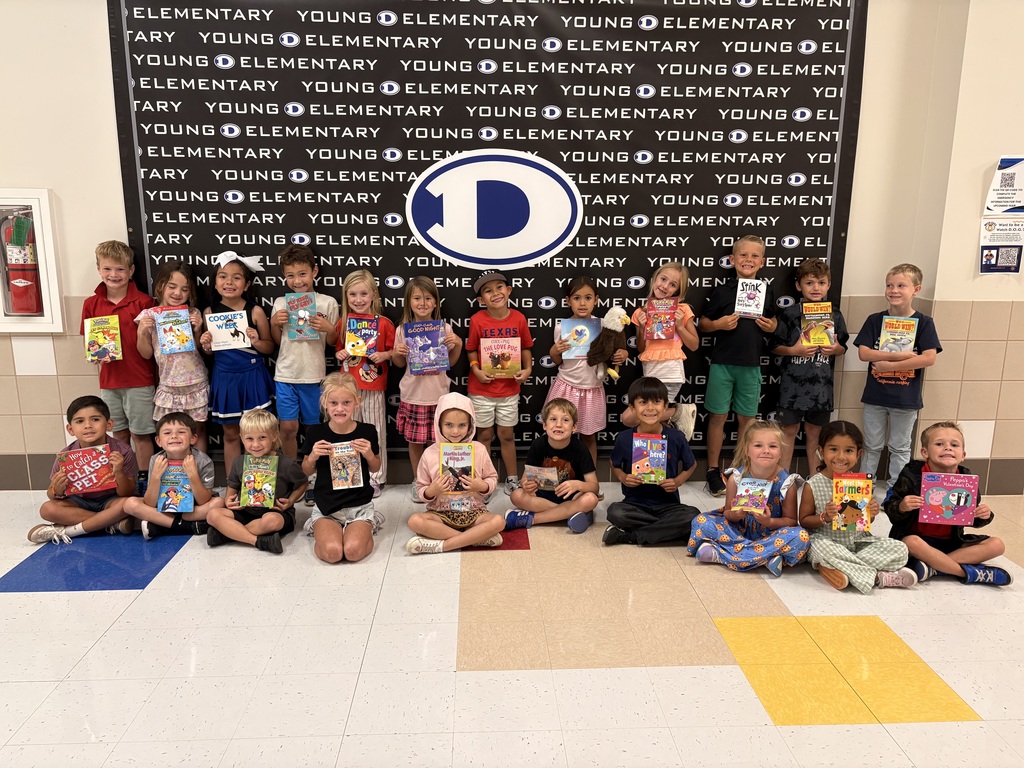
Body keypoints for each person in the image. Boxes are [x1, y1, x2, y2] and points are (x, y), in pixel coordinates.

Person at [884, 421, 1011, 586]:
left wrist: (982, 515)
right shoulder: (912, 477)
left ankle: (933, 568)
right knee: (911, 542)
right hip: (918, 542)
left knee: (997, 545)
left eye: (954, 445)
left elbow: (970, 518)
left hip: (952, 542)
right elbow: (891, 509)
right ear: (925, 452)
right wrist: (902, 506)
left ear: (963, 454)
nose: (948, 448)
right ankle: (968, 573)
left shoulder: (966, 480)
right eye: (939, 444)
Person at [698, 235, 778, 496]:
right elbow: (704, 323)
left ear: (762, 262)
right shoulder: (723, 291)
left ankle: (742, 469)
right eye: (743, 255)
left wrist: (773, 326)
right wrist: (718, 324)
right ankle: (713, 470)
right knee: (718, 416)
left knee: (748, 420)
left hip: (751, 365)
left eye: (755, 256)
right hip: (722, 363)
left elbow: (774, 322)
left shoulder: (766, 290)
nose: (749, 260)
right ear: (732, 260)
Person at [798, 420, 917, 591]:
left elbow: (864, 519)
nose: (841, 456)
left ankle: (840, 567)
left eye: (848, 451)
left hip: (857, 541)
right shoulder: (813, 485)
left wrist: (872, 513)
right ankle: (877, 576)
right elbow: (803, 521)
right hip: (827, 540)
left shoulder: (861, 483)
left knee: (900, 549)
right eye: (833, 449)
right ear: (821, 452)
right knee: (822, 549)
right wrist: (825, 517)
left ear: (859, 454)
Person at [853, 263, 941, 492]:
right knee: (871, 445)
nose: (893, 290)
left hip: (905, 398)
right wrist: (897, 356)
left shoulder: (924, 322)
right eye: (889, 285)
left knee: (900, 447)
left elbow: (929, 358)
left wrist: (889, 365)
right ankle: (865, 489)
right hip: (875, 396)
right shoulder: (875, 320)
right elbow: (864, 353)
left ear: (916, 289)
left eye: (901, 285)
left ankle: (896, 490)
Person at [688, 420, 809, 576]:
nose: (766, 451)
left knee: (801, 537)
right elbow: (728, 513)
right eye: (758, 446)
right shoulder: (736, 478)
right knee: (701, 521)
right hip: (739, 530)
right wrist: (736, 515)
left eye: (773, 446)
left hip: (772, 533)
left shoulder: (787, 483)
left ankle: (720, 555)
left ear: (780, 452)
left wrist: (769, 522)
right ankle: (767, 558)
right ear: (747, 450)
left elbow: (791, 520)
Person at [81, 240, 156, 478]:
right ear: (98, 269)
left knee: (141, 434)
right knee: (118, 434)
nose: (114, 275)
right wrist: (94, 355)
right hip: (109, 382)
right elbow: (89, 342)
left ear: (131, 271)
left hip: (140, 380)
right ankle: (123, 478)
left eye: (120, 269)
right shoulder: (91, 304)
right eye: (108, 269)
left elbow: (150, 350)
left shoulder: (144, 302)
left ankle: (143, 480)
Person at [198, 251, 276, 478]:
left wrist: (257, 341)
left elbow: (270, 347)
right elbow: (209, 352)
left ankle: (263, 482)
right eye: (223, 276)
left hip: (252, 376)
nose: (229, 282)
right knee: (231, 434)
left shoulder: (255, 311)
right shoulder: (209, 312)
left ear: (247, 284)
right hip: (225, 378)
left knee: (260, 433)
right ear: (215, 282)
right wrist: (205, 344)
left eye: (236, 278)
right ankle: (236, 482)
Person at [772, 258, 849, 474]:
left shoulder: (835, 314)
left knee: (816, 433)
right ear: (799, 286)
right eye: (809, 283)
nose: (816, 288)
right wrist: (793, 351)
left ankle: (815, 481)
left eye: (821, 283)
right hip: (792, 386)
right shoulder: (789, 314)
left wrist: (836, 349)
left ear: (829, 285)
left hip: (821, 388)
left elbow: (843, 346)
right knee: (788, 430)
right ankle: (784, 480)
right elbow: (775, 346)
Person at [603, 377, 700, 546]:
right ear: (633, 408)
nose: (650, 408)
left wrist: (677, 481)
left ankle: (630, 536)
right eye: (643, 402)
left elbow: (691, 465)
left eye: (656, 401)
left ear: (665, 407)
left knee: (693, 515)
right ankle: (668, 531)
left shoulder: (676, 437)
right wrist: (623, 477)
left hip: (668, 505)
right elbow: (614, 463)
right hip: (634, 505)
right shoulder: (625, 438)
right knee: (615, 512)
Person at [391, 276, 463, 501]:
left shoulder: (445, 328)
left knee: (438, 443)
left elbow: (450, 362)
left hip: (439, 396)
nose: (422, 303)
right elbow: (399, 364)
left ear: (435, 302)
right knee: (415, 443)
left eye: (428, 298)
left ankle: (439, 482)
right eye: (417, 298)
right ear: (409, 302)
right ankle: (418, 480)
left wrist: (457, 344)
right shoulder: (402, 330)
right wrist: (398, 353)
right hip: (413, 395)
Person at [28, 396, 136, 545]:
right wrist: (57, 489)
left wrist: (119, 472)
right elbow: (51, 494)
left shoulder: (122, 451)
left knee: (128, 503)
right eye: (80, 421)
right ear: (70, 429)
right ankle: (109, 522)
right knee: (47, 509)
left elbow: (127, 492)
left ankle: (74, 529)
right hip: (79, 502)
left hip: (111, 500)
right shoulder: (66, 455)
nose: (88, 426)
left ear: (109, 424)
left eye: (95, 419)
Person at [405, 392, 505, 554]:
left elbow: (492, 478)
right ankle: (474, 539)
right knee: (414, 521)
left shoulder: (478, 449)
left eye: (462, 425)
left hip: (474, 511)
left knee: (499, 521)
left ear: (470, 425)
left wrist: (482, 485)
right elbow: (420, 488)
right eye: (449, 425)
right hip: (441, 513)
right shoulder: (430, 453)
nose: (456, 431)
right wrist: (432, 490)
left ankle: (442, 545)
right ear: (439, 424)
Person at [300, 372, 382, 563]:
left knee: (353, 552)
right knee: (333, 554)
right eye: (334, 403)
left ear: (357, 402)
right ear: (324, 402)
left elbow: (375, 467)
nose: (340, 409)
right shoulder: (315, 432)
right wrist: (312, 456)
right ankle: (318, 528)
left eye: (346, 403)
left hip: (359, 505)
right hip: (327, 507)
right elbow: (306, 471)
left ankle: (370, 523)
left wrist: (369, 453)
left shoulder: (367, 431)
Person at [547, 276, 627, 471]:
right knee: (559, 434)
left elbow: (619, 350)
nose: (582, 303)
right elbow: (558, 360)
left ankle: (589, 477)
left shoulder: (604, 325)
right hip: (566, 386)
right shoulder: (561, 327)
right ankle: (559, 476)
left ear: (596, 300)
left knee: (589, 436)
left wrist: (622, 354)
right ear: (568, 301)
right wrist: (554, 351)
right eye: (576, 298)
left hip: (591, 389)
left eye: (588, 298)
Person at [465, 270, 534, 495]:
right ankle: (483, 481)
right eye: (488, 290)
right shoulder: (477, 320)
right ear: (480, 300)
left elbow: (525, 346)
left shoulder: (518, 318)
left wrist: (528, 369)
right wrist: (476, 370)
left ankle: (512, 478)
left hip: (509, 390)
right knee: (483, 436)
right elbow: (472, 349)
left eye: (499, 287)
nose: (495, 293)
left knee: (506, 435)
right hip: (481, 390)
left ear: (509, 291)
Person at [268, 245, 339, 460]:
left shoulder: (328, 303)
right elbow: (278, 341)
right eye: (290, 276)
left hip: (313, 375)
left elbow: (334, 342)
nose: (297, 281)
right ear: (284, 277)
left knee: (313, 429)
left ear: (314, 272)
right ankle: (292, 471)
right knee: (288, 428)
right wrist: (274, 323)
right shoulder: (281, 303)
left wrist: (329, 328)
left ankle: (313, 470)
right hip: (285, 375)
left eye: (302, 274)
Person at [208, 408, 309, 555]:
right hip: (245, 511)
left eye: (262, 437)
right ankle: (257, 541)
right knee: (212, 515)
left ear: (274, 436)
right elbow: (233, 485)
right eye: (249, 439)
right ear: (242, 438)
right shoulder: (239, 462)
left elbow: (303, 483)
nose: (255, 444)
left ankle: (227, 533)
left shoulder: (286, 463)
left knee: (272, 521)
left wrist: (290, 501)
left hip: (275, 511)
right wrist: (228, 500)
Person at [135, 260, 210, 453]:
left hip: (196, 382)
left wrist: (198, 328)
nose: (178, 293)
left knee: (197, 431)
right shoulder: (149, 315)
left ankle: (200, 474)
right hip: (169, 384)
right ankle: (175, 477)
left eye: (185, 289)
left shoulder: (192, 312)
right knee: (169, 432)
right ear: (161, 286)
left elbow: (200, 349)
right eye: (172, 287)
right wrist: (142, 331)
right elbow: (145, 353)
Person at [334, 269, 394, 497]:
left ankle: (376, 478)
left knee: (375, 432)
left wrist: (385, 356)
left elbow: (393, 351)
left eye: (363, 294)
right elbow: (340, 348)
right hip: (347, 387)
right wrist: (340, 354)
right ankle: (349, 476)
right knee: (347, 431)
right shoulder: (344, 322)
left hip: (373, 386)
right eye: (352, 295)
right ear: (346, 297)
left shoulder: (385, 323)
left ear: (373, 296)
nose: (358, 300)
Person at [622, 262, 699, 432]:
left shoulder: (682, 310)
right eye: (663, 279)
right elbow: (641, 348)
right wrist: (641, 328)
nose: (665, 286)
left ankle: (679, 412)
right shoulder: (641, 312)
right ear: (654, 279)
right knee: (653, 424)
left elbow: (694, 345)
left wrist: (679, 325)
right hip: (650, 371)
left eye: (672, 284)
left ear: (677, 291)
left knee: (629, 418)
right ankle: (661, 450)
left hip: (671, 372)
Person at [505, 398, 600, 533]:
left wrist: (577, 485)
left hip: (571, 496)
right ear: (544, 425)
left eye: (565, 420)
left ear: (574, 427)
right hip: (544, 496)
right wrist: (526, 484)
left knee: (591, 499)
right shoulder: (538, 445)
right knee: (516, 495)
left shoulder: (580, 448)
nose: (559, 424)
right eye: (553, 419)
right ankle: (570, 513)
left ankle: (533, 519)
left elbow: (594, 487)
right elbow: (524, 479)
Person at [123, 412, 223, 538]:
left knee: (218, 502)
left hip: (194, 508)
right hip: (164, 507)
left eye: (181, 432)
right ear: (158, 441)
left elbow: (204, 500)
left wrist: (193, 476)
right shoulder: (156, 459)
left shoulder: (203, 460)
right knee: (129, 504)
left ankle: (162, 524)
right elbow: (150, 503)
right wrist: (155, 477)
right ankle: (185, 526)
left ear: (193, 438)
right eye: (167, 433)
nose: (174, 436)